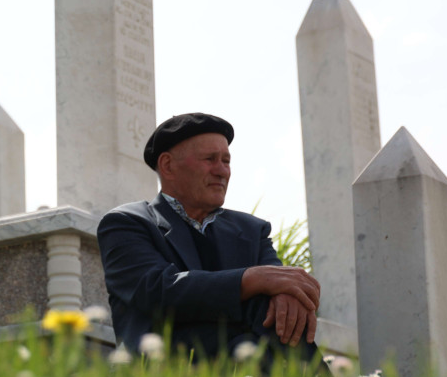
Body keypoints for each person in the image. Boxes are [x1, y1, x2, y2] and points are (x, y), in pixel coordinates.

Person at [97, 113, 321, 363]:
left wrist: (290, 294)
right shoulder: (127, 223)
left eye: (226, 160)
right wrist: (248, 279)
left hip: (252, 364)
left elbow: (280, 290)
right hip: (172, 373)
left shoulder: (252, 230)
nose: (222, 171)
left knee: (282, 317)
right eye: (209, 159)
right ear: (168, 165)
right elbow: (157, 291)